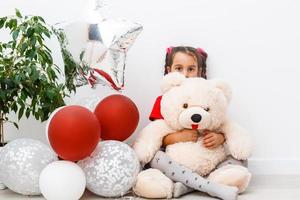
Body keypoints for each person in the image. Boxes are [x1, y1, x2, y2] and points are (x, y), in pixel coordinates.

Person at [147, 46, 248, 198]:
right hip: (178, 160)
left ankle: (188, 186)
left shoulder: (211, 96)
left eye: (191, 69)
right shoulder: (164, 100)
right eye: (179, 68)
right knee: (155, 159)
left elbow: (222, 125)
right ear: (169, 71)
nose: (185, 74)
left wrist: (220, 137)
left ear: (200, 72)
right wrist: (178, 137)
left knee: (241, 159)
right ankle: (209, 186)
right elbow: (158, 137)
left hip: (208, 157)